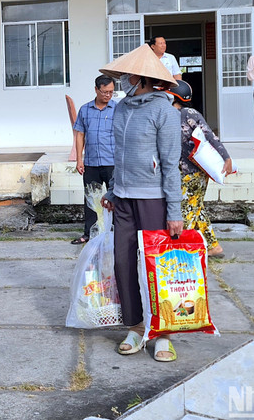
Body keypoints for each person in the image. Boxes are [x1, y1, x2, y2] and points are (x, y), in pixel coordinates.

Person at [98, 44, 183, 362]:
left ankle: (162, 333)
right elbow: (120, 156)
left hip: (154, 200)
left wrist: (174, 210)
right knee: (122, 263)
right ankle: (135, 326)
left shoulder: (164, 110)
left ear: (143, 77)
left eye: (128, 74)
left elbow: (170, 163)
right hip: (123, 199)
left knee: (157, 267)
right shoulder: (122, 108)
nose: (122, 79)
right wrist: (112, 191)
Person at [165, 80, 232, 259]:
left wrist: (226, 157)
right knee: (196, 207)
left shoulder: (188, 113)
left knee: (185, 210)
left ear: (173, 95)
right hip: (183, 172)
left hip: (192, 173)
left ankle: (179, 248)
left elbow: (210, 135)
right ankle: (212, 246)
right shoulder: (171, 114)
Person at [71, 75, 117, 245]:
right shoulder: (85, 110)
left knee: (116, 199)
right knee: (91, 199)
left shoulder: (117, 109)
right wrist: (79, 159)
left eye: (111, 92)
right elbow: (80, 134)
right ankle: (89, 234)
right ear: (96, 89)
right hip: (91, 162)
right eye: (105, 92)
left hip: (112, 163)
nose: (108, 95)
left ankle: (117, 233)